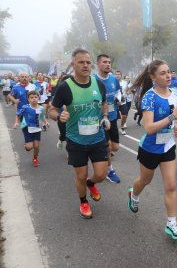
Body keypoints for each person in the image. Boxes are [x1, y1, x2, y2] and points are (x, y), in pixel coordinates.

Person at [127, 60, 177, 240]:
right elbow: (149, 128)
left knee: (171, 185)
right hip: (150, 148)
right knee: (145, 181)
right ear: (153, 77)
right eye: (163, 73)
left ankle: (172, 224)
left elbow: (173, 120)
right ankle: (134, 194)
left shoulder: (175, 94)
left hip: (167, 146)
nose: (168, 76)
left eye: (169, 72)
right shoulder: (149, 97)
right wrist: (171, 117)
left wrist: (175, 127)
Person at [49, 48, 110, 219]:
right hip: (76, 140)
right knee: (81, 175)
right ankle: (83, 201)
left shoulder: (99, 84)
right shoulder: (64, 87)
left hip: (97, 138)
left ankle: (92, 184)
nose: (85, 65)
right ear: (73, 64)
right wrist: (59, 116)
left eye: (88, 62)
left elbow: (104, 103)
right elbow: (51, 110)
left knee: (101, 174)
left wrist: (105, 116)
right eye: (81, 62)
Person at [93, 54, 122, 184]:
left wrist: (118, 99)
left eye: (109, 62)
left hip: (113, 117)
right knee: (108, 147)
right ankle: (110, 170)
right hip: (100, 119)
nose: (108, 64)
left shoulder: (114, 79)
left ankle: (102, 155)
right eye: (104, 62)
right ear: (98, 64)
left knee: (115, 147)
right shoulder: (92, 80)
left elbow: (117, 92)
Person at [13, 91, 48, 167]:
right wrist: (16, 122)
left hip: (37, 128)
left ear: (38, 98)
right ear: (28, 99)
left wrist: (46, 122)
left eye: (35, 97)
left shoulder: (41, 108)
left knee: (36, 146)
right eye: (31, 97)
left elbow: (42, 117)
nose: (34, 99)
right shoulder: (25, 107)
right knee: (29, 147)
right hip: (27, 128)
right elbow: (18, 114)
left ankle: (35, 158)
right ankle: (26, 146)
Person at [115, 71, 132, 135]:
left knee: (124, 115)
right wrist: (116, 100)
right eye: (116, 74)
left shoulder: (125, 82)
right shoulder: (113, 82)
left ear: (121, 75)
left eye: (118, 74)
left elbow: (127, 91)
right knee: (114, 118)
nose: (117, 75)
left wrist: (129, 92)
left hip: (123, 101)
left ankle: (122, 127)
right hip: (115, 102)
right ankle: (112, 129)